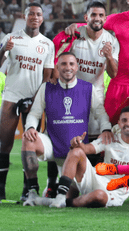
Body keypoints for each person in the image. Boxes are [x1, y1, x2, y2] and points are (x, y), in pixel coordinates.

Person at [20, 52, 113, 205]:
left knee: (72, 196)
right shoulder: (47, 88)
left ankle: (53, 197)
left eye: (71, 64)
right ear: (57, 67)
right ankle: (32, 192)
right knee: (28, 139)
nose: (67, 67)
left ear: (77, 67)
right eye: (63, 64)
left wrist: (106, 129)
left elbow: (100, 113)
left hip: (75, 151)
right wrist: (30, 127)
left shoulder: (88, 88)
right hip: (52, 145)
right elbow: (34, 114)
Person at [27, 106, 129, 208]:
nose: (128, 124)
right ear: (118, 123)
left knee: (99, 196)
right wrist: (77, 143)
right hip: (96, 177)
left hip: (115, 192)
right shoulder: (110, 138)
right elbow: (86, 149)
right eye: (124, 120)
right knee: (76, 152)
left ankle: (59, 202)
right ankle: (61, 196)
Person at [0, 3, 55, 203]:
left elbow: (47, 76)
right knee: (4, 145)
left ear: (42, 19)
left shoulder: (47, 44)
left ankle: (27, 190)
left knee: (30, 145)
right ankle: (1, 191)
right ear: (24, 17)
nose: (34, 17)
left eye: (38, 14)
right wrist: (3, 51)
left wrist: (37, 101)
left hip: (34, 100)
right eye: (31, 14)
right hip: (11, 96)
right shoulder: (11, 38)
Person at [53, 1, 120, 140]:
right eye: (93, 14)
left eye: (101, 15)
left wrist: (108, 57)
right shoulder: (75, 34)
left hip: (96, 92)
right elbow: (57, 60)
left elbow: (113, 74)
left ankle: (93, 161)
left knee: (95, 133)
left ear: (105, 19)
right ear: (86, 17)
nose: (97, 18)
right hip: (71, 91)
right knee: (69, 134)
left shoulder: (111, 41)